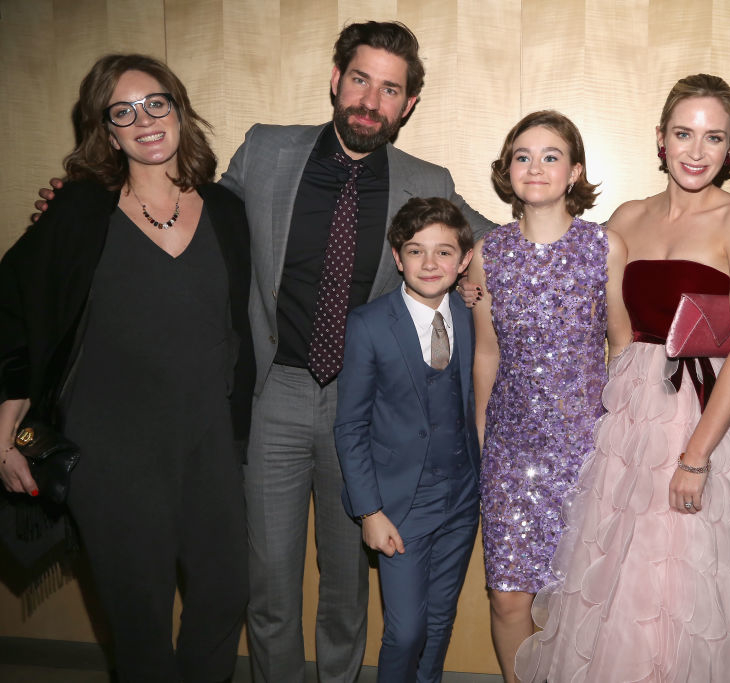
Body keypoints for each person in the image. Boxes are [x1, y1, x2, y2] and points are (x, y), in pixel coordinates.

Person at [31, 21, 495, 682]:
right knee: (268, 580)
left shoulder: (427, 177)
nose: (370, 98)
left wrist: (583, 248)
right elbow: (190, 208)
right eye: (359, 79)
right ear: (336, 81)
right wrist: (86, 202)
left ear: (408, 104)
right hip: (271, 392)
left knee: (346, 582)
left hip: (361, 408)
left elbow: (495, 247)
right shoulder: (267, 150)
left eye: (390, 89)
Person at [515, 75, 730, 681]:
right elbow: (590, 303)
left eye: (714, 138)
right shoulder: (627, 217)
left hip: (701, 410)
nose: (695, 150)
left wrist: (696, 456)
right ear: (660, 140)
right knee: (620, 575)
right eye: (683, 134)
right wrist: (477, 279)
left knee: (681, 577)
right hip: (631, 408)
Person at [0, 54, 253, 682]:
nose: (144, 120)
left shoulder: (225, 210)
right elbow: (13, 305)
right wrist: (8, 412)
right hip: (111, 453)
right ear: (106, 131)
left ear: (179, 109)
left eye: (156, 103)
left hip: (210, 444)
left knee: (223, 597)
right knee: (139, 623)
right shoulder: (81, 211)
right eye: (123, 112)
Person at [467, 110, 631, 681]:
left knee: (575, 603)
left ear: (575, 171)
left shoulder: (604, 248)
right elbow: (486, 353)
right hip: (511, 452)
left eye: (551, 156)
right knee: (509, 599)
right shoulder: (488, 253)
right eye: (522, 156)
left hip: (586, 451)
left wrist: (623, 440)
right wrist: (486, 442)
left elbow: (623, 348)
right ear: (507, 170)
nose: (535, 167)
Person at [334, 196, 479, 683]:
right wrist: (369, 512)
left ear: (463, 262)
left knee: (439, 622)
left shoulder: (468, 315)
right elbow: (350, 426)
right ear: (397, 257)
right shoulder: (369, 325)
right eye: (416, 251)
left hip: (460, 497)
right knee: (406, 630)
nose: (430, 263)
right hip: (399, 505)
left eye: (444, 252)